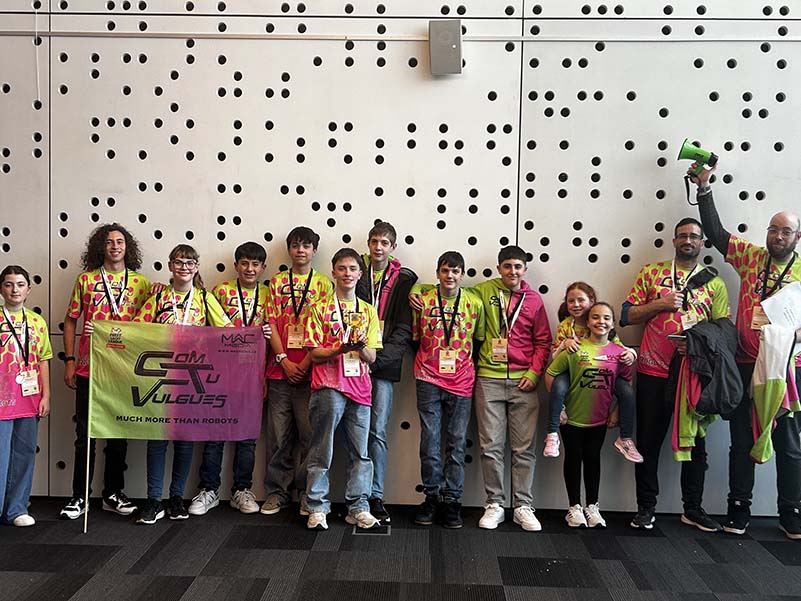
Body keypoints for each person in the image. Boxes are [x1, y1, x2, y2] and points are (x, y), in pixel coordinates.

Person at [692, 162, 801, 539]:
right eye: (773, 229)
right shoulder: (752, 257)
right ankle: (739, 509)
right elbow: (716, 234)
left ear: (797, 237)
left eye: (785, 231)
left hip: (787, 369)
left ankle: (791, 512)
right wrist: (704, 188)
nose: (778, 236)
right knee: (741, 440)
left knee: (788, 443)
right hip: (743, 363)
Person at [621, 217, 730, 532]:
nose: (688, 240)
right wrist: (660, 303)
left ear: (702, 243)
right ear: (674, 240)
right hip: (652, 371)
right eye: (683, 235)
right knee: (648, 442)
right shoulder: (651, 273)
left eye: (694, 236)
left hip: (693, 375)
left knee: (696, 445)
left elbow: (724, 331)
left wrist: (697, 343)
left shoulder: (715, 283)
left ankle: (692, 509)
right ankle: (646, 508)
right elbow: (626, 315)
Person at [60, 223, 154, 520]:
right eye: (110, 242)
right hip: (90, 367)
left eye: (120, 241)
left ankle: (112, 493)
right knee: (84, 434)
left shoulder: (141, 283)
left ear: (128, 247)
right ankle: (79, 496)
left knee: (118, 433)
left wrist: (160, 290)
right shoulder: (86, 279)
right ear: (101, 247)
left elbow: (149, 322)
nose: (115, 246)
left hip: (123, 369)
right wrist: (70, 360)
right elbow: (71, 320)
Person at [134, 244, 231, 524]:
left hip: (192, 377)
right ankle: (154, 500)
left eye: (189, 263)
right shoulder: (158, 297)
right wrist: (102, 331)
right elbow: (135, 329)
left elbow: (227, 330)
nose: (184, 267)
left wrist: (257, 334)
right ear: (170, 266)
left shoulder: (205, 298)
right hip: (160, 376)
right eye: (178, 262)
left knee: (185, 440)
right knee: (157, 439)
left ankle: (176, 498)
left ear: (196, 267)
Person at [188, 242, 271, 517]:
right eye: (244, 263)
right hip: (221, 373)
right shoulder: (220, 292)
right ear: (236, 265)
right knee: (215, 433)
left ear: (263, 267)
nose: (250, 269)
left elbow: (275, 335)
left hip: (254, 374)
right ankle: (209, 490)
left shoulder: (269, 294)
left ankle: (241, 490)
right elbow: (203, 324)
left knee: (247, 436)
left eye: (255, 264)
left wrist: (267, 374)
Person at [303, 248, 382, 531]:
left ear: (360, 274)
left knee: (361, 453)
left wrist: (359, 348)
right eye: (342, 268)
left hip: (360, 389)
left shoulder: (368, 311)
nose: (347, 273)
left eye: (352, 269)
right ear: (333, 272)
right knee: (321, 450)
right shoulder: (319, 308)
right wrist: (339, 348)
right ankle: (316, 507)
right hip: (328, 386)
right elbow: (313, 353)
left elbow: (372, 357)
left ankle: (358, 507)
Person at [410, 251, 485, 529]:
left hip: (462, 380)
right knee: (430, 440)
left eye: (455, 271)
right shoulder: (424, 301)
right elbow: (415, 339)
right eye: (445, 270)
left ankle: (452, 500)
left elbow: (479, 340)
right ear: (437, 273)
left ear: (462, 275)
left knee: (456, 441)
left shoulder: (474, 303)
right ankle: (432, 496)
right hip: (428, 378)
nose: (449, 276)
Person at [262, 227, 332, 516]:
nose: (300, 250)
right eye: (295, 245)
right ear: (289, 249)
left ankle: (306, 493)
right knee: (278, 438)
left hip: (310, 374)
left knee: (309, 437)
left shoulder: (325, 285)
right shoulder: (277, 283)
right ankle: (276, 493)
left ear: (314, 250)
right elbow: (270, 324)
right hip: (279, 372)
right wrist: (283, 360)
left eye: (306, 246)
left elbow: (327, 330)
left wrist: (303, 364)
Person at [546, 302, 632, 528]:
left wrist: (616, 411)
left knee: (593, 459)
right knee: (573, 459)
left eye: (606, 318)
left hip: (599, 418)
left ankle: (592, 506)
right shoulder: (575, 348)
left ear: (612, 324)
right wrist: (559, 409)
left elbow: (625, 385)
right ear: (587, 322)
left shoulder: (618, 353)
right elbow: (551, 373)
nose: (600, 322)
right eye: (595, 317)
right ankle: (574, 507)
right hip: (572, 418)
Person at [355, 221, 417, 523]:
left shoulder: (405, 279)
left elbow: (404, 330)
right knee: (354, 433)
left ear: (393, 247)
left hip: (383, 368)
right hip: (351, 364)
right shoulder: (354, 270)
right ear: (368, 243)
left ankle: (375, 495)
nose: (378, 247)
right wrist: (360, 357)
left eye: (384, 243)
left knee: (377, 432)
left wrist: (376, 362)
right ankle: (356, 497)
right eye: (374, 241)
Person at [544, 282, 641, 463]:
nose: (576, 305)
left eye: (581, 300)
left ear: (591, 301)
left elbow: (619, 349)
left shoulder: (603, 326)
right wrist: (565, 344)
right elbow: (555, 357)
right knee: (559, 385)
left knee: (627, 391)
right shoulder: (566, 325)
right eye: (571, 301)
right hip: (571, 373)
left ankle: (625, 438)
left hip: (600, 377)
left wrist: (632, 353)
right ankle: (552, 431)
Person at [0, 265, 51, 527]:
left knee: (24, 452)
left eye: (20, 284)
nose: (15, 290)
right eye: (9, 284)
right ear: (1, 289)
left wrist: (46, 396)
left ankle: (16, 509)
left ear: (28, 289)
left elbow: (43, 360)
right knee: (1, 454)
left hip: (29, 397)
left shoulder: (37, 322)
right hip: (2, 397)